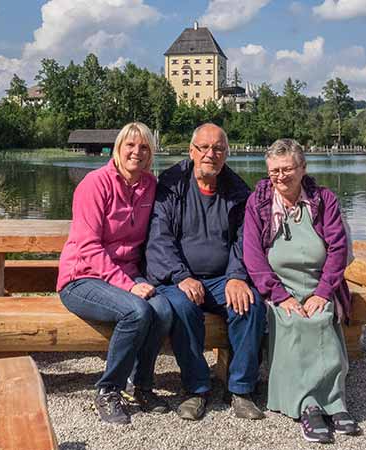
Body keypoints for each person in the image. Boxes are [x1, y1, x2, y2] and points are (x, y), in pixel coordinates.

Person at [145, 123, 267, 421]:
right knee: (183, 307)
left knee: (250, 305)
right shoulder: (171, 183)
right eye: (203, 147)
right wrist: (181, 276)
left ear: (226, 153)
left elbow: (245, 240)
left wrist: (237, 275)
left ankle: (240, 389)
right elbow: (160, 238)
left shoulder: (238, 191)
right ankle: (196, 389)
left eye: (218, 148)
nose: (210, 154)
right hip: (177, 276)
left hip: (223, 277)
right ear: (192, 151)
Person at [243, 139, 361, 444]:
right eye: (274, 171)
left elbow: (337, 248)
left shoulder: (324, 200)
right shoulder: (258, 203)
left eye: (287, 169)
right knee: (293, 320)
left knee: (321, 316)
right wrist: (280, 296)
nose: (280, 177)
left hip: (320, 283)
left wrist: (323, 292)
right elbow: (253, 256)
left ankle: (335, 402)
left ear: (303, 168)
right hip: (278, 287)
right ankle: (307, 404)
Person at [57, 122, 173, 424]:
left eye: (144, 147)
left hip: (126, 273)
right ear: (118, 149)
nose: (137, 152)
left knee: (162, 309)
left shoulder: (150, 185)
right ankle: (108, 390)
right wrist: (127, 285)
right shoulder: (94, 184)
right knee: (136, 312)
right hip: (81, 276)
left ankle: (142, 385)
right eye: (130, 145)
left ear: (151, 153)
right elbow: (88, 246)